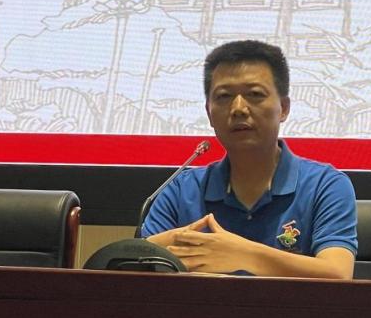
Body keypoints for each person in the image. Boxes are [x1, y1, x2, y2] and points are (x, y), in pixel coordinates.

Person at [141, 40, 357, 278]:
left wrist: (243, 254)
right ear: (208, 112)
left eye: (254, 94)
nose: (238, 108)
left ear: (284, 108)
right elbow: (135, 267)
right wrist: (154, 248)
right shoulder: (181, 190)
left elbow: (337, 273)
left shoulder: (324, 185)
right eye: (224, 96)